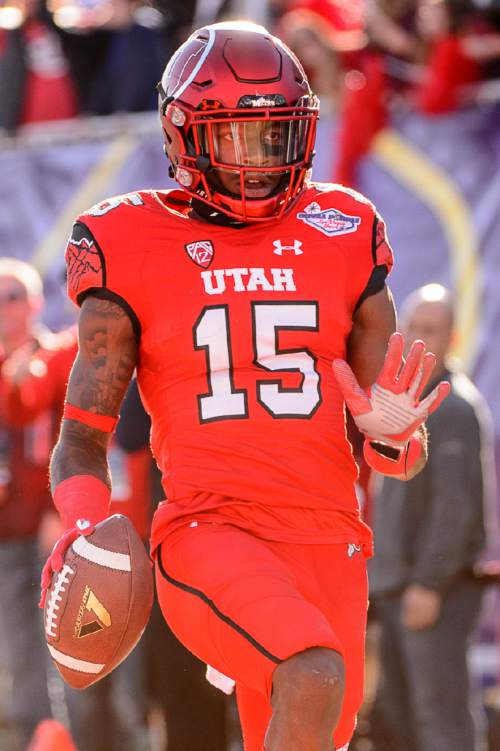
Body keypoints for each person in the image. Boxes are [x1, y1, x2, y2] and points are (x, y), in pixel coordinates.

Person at [40, 22, 450, 751]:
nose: (261, 162)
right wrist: (81, 524)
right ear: (183, 134)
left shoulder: (345, 227)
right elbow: (81, 437)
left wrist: (395, 438)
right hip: (210, 526)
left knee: (315, 718)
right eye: (234, 136)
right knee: (312, 672)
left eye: (276, 136)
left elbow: (398, 452)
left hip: (331, 537)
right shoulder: (128, 241)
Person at [369, 283, 496, 751]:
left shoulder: (454, 407)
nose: (421, 339)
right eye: (413, 329)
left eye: (432, 330)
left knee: (440, 722)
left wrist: (429, 582)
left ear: (452, 338)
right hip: (399, 589)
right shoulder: (404, 401)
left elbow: (455, 509)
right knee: (398, 722)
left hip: (433, 594)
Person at [0, 258, 76, 748]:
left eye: (11, 297)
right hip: (5, 526)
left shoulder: (62, 359)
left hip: (44, 527)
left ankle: (55, 738)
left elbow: (75, 442)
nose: (4, 310)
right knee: (14, 648)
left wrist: (57, 511)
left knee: (53, 646)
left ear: (33, 303)